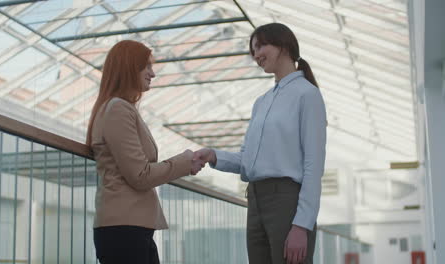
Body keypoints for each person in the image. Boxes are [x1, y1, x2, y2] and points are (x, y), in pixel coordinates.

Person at [194, 23, 327, 264]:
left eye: (261, 46)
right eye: (253, 50)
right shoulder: (262, 102)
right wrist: (214, 155)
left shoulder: (307, 95)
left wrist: (301, 225)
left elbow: (313, 165)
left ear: (284, 45)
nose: (256, 55)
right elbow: (248, 160)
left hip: (287, 201)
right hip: (255, 200)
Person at [86, 40, 204, 264]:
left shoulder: (120, 108)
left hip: (129, 228)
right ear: (130, 67)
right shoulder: (118, 109)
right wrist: (185, 161)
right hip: (123, 230)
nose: (153, 73)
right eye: (147, 66)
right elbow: (140, 175)